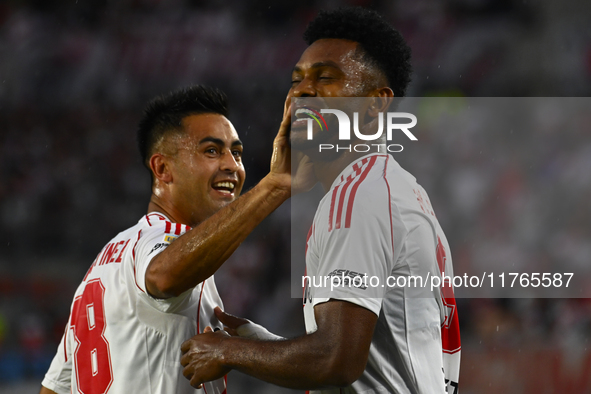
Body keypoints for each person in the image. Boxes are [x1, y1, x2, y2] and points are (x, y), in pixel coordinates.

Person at [180, 7, 461, 394]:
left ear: (376, 104)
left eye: (325, 77)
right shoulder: (394, 188)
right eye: (296, 80)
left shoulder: (359, 197)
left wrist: (230, 352)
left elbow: (336, 360)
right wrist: (261, 344)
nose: (302, 91)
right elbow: (376, 363)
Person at [39, 85, 296, 394]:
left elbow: (54, 389)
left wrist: (253, 349)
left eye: (236, 152)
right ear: (162, 169)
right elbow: (163, 276)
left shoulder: (102, 263)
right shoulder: (166, 239)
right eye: (212, 151)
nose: (232, 165)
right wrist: (275, 186)